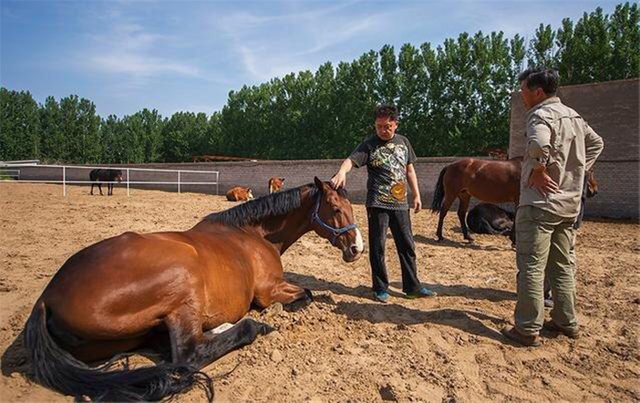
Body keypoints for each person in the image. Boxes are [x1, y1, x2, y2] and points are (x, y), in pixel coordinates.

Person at [502, 68, 604, 346]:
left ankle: (526, 328)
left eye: (523, 89)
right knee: (562, 265)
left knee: (532, 266)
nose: (521, 95)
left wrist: (538, 167)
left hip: (540, 204)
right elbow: (596, 143)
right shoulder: (574, 117)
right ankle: (565, 320)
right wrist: (578, 169)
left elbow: (538, 142)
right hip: (568, 205)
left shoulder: (540, 115)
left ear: (537, 91)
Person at [330, 104, 436, 303]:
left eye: (387, 126)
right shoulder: (369, 145)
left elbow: (410, 170)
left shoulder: (404, 143)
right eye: (379, 126)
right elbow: (350, 161)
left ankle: (412, 287)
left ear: (396, 124)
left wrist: (417, 195)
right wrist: (342, 172)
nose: (382, 130)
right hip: (378, 204)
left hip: (401, 204)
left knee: (407, 245)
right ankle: (380, 288)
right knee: (378, 247)